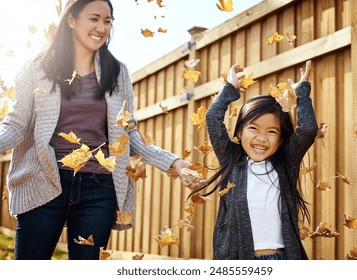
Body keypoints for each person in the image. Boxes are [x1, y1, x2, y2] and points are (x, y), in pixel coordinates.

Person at [0, 0, 197, 260]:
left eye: (107, 21)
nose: (101, 27)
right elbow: (15, 125)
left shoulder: (118, 74)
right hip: (44, 180)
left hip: (98, 186)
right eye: (94, 18)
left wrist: (174, 163)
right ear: (71, 20)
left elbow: (128, 136)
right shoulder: (35, 70)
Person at [191, 60, 317, 260]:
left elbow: (308, 129)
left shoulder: (286, 163)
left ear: (281, 138)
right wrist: (229, 89)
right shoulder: (231, 161)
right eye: (253, 128)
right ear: (240, 131)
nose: (261, 138)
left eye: (271, 131)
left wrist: (300, 93)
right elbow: (213, 118)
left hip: (281, 258)